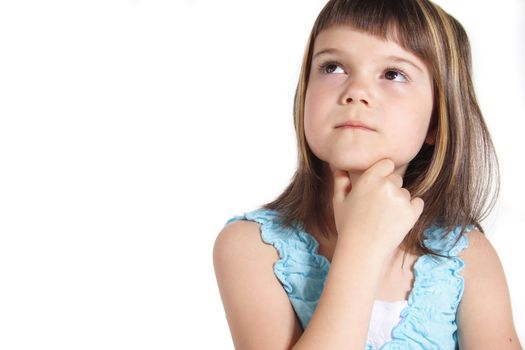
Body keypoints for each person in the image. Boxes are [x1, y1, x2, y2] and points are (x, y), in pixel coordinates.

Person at [213, 0, 522, 348]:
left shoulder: (467, 257)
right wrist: (360, 248)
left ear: (436, 120)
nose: (356, 91)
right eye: (333, 67)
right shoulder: (252, 246)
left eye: (393, 74)